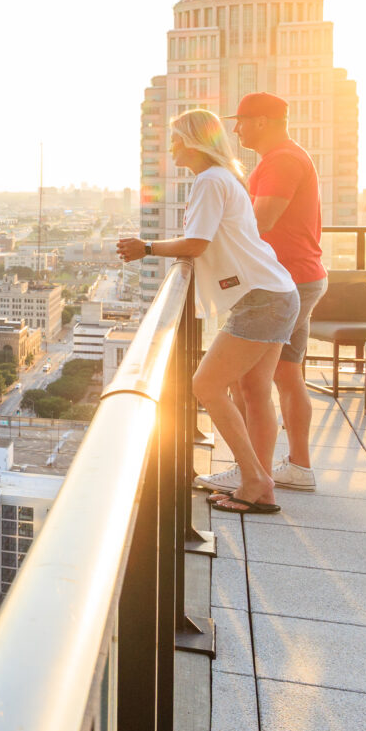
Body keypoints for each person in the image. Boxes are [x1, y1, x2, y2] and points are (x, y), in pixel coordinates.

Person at [119, 107, 299, 512]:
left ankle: (254, 479)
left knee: (206, 385)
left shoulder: (209, 181)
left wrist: (145, 248)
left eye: (176, 139)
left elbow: (196, 244)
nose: (171, 148)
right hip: (274, 293)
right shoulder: (224, 179)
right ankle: (260, 483)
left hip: (262, 300)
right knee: (252, 390)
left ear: (194, 142)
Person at [228, 92, 324, 492]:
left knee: (246, 380)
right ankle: (297, 468)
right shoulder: (287, 156)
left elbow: (260, 220)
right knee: (287, 374)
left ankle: (252, 473)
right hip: (301, 276)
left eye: (243, 121)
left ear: (263, 121)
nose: (236, 129)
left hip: (284, 281)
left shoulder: (282, 160)